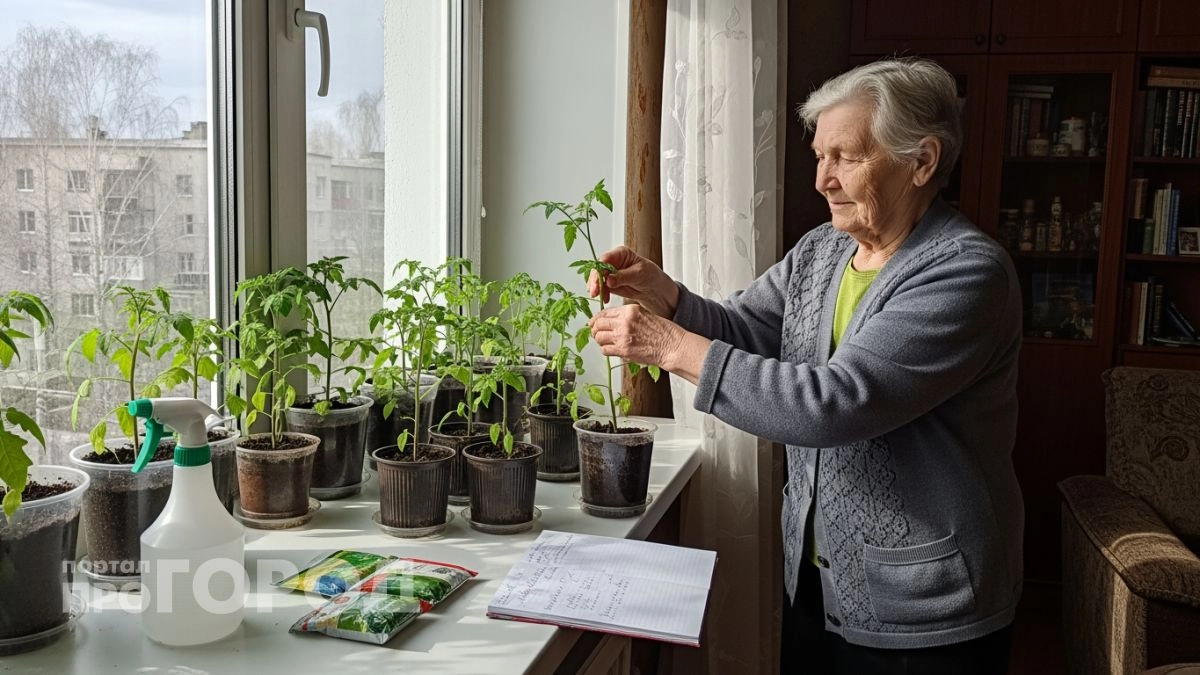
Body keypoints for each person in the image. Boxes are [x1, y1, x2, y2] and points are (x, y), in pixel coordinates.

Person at [586, 57, 1023, 674]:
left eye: (845, 157)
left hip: (925, 608)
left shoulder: (966, 272)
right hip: (820, 581)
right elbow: (744, 329)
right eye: (820, 156)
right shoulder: (823, 250)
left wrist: (670, 346)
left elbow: (834, 404)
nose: (823, 180)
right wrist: (669, 298)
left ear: (922, 161)